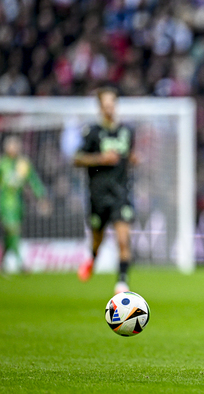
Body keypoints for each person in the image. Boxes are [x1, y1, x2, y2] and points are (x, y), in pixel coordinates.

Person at [74, 87, 138, 294]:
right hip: (98, 194)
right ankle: (92, 258)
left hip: (120, 192)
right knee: (98, 238)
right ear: (100, 107)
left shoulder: (127, 131)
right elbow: (77, 158)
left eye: (112, 104)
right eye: (105, 105)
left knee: (122, 238)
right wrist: (101, 159)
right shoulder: (92, 132)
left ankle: (122, 282)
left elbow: (129, 156)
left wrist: (132, 160)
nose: (109, 108)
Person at [0, 136, 47, 273]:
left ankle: (1, 263)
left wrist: (42, 198)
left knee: (10, 234)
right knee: (12, 229)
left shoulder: (23, 164)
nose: (13, 149)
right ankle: (21, 263)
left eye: (16, 146)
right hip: (4, 203)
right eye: (11, 146)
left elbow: (34, 182)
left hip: (19, 204)